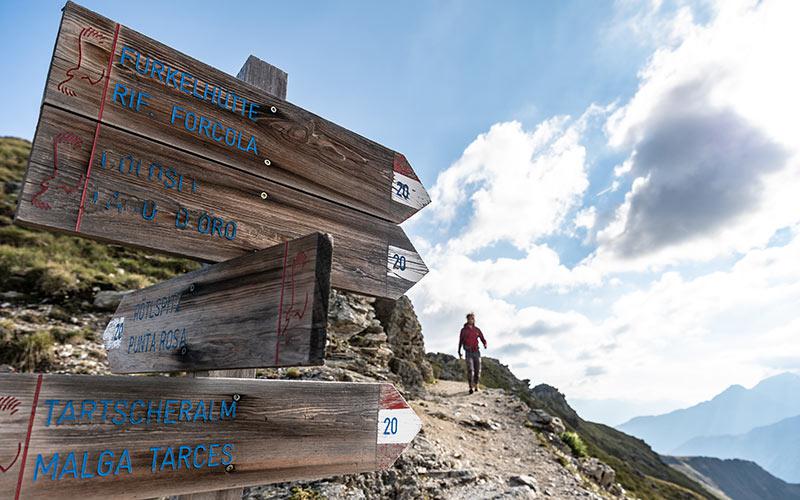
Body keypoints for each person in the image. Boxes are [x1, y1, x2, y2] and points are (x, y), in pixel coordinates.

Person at [458, 312, 487, 394]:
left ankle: (476, 385)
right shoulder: (463, 330)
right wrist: (459, 351)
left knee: (478, 370)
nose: (471, 320)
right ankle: (470, 387)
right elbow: (460, 341)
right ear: (467, 320)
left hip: (476, 352)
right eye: (470, 318)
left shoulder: (477, 330)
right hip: (468, 352)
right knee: (470, 370)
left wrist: (485, 344)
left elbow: (483, 339)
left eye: (473, 318)